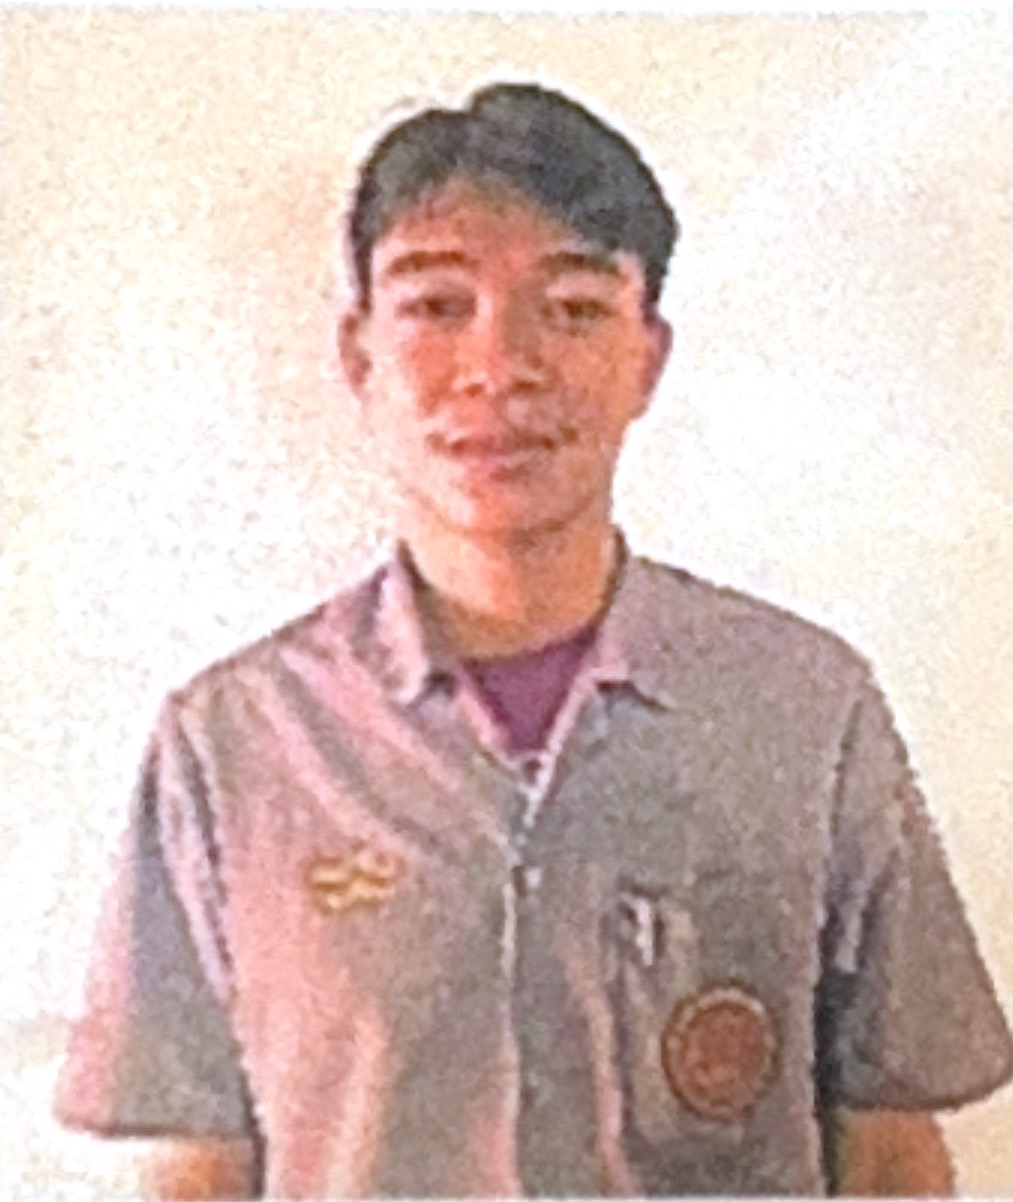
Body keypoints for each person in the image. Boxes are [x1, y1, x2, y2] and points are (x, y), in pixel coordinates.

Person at [55, 82, 1012, 1198]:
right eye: (436, 305)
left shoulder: (803, 712)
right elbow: (198, 1172)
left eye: (572, 307)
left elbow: (890, 1155)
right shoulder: (233, 745)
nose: (500, 365)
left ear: (646, 357)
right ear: (358, 355)